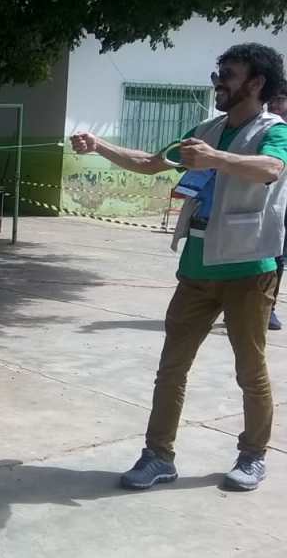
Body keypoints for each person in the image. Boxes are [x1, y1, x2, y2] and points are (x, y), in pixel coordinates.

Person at [71, 43, 287, 492]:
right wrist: (99, 145)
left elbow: (271, 168)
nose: (218, 82)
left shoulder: (274, 130)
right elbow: (151, 163)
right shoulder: (206, 129)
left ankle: (252, 455)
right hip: (197, 267)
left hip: (248, 269)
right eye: (217, 74)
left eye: (228, 74)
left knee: (250, 371)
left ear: (256, 83)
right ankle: (158, 456)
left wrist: (216, 159)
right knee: (171, 367)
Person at [266, 89, 287, 330]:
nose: (274, 105)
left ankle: (268, 307)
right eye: (271, 100)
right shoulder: (264, 128)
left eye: (279, 100)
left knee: (278, 257)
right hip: (264, 202)